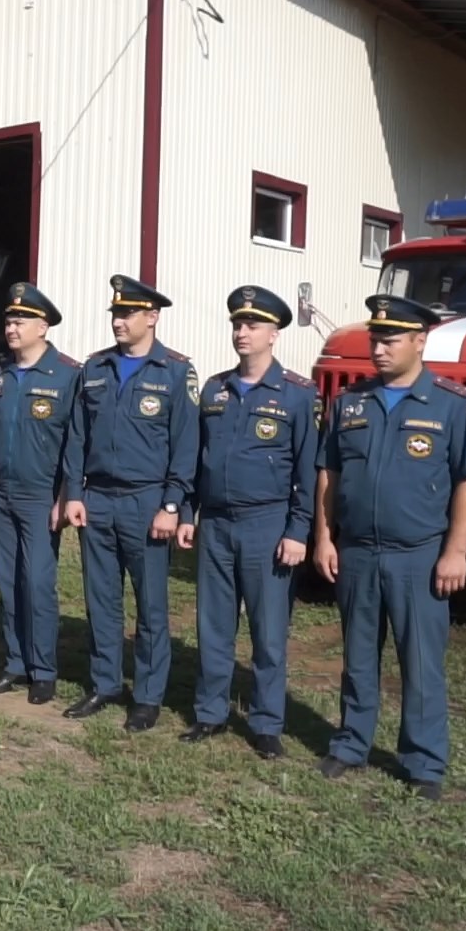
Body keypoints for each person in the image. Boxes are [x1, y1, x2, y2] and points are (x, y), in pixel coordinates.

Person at [312, 295, 466, 801]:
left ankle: (424, 761)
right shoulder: (351, 402)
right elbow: (330, 474)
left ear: (420, 341)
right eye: (375, 338)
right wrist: (326, 538)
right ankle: (351, 743)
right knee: (358, 657)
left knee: (420, 663)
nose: (379, 348)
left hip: (418, 555)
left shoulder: (453, 404)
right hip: (359, 554)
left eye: (390, 339)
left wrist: (456, 551)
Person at [174, 285, 318, 759]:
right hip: (216, 524)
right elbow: (197, 460)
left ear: (274, 333)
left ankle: (266, 723)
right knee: (214, 626)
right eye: (237, 323)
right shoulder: (215, 389)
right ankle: (211, 712)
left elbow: (308, 473)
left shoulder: (297, 395)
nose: (242, 332)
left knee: (267, 630)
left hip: (267, 525)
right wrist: (188, 512)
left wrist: (299, 531)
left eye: (252, 325)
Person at [61, 274, 199, 729]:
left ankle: (147, 695)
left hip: (147, 502)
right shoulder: (95, 368)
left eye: (127, 314)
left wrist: (173, 504)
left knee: (150, 605)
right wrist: (75, 494)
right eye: (116, 314)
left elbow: (185, 445)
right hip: (98, 498)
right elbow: (77, 437)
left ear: (152, 317)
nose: (118, 322)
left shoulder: (176, 372)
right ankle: (104, 683)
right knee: (101, 600)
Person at [0, 282, 82, 705]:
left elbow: (75, 443)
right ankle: (15, 664)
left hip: (41, 495)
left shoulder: (67, 376)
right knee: (8, 581)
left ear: (44, 326)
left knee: (37, 582)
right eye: (9, 320)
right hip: (1, 493)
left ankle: (44, 669)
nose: (11, 327)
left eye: (20, 321)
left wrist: (64, 495)